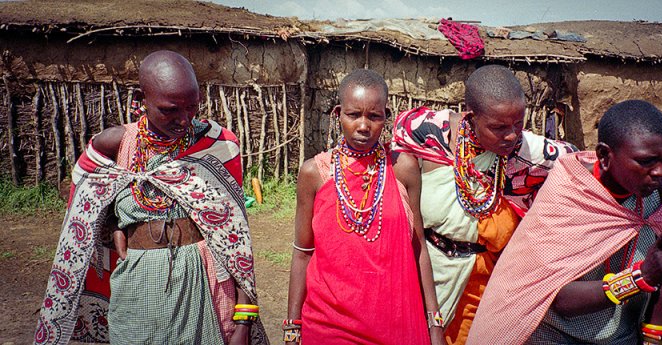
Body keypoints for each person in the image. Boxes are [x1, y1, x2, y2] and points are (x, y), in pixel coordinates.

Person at [34, 50, 267, 345]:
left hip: (203, 284)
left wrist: (243, 319)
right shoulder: (115, 144)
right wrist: (114, 227)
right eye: (169, 109)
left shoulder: (217, 146)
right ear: (141, 98)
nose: (183, 120)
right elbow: (83, 203)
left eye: (192, 107)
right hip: (137, 280)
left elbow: (236, 240)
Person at [468, 100, 662, 345]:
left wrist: (654, 335)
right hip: (551, 334)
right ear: (604, 156)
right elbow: (559, 299)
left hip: (621, 336)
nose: (658, 171)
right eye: (646, 161)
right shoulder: (571, 191)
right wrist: (640, 277)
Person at [391, 65, 577, 345]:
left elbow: (581, 165)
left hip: (483, 281)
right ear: (472, 116)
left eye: (518, 123)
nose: (512, 135)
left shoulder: (529, 152)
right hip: (425, 266)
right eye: (499, 127)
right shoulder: (427, 135)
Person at [286, 69, 442, 344]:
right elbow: (302, 253)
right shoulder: (315, 173)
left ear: (386, 116)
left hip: (397, 321)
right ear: (338, 114)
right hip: (329, 322)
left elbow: (418, 247)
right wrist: (292, 326)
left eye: (374, 116)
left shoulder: (402, 168)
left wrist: (434, 321)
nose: (363, 125)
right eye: (353, 114)